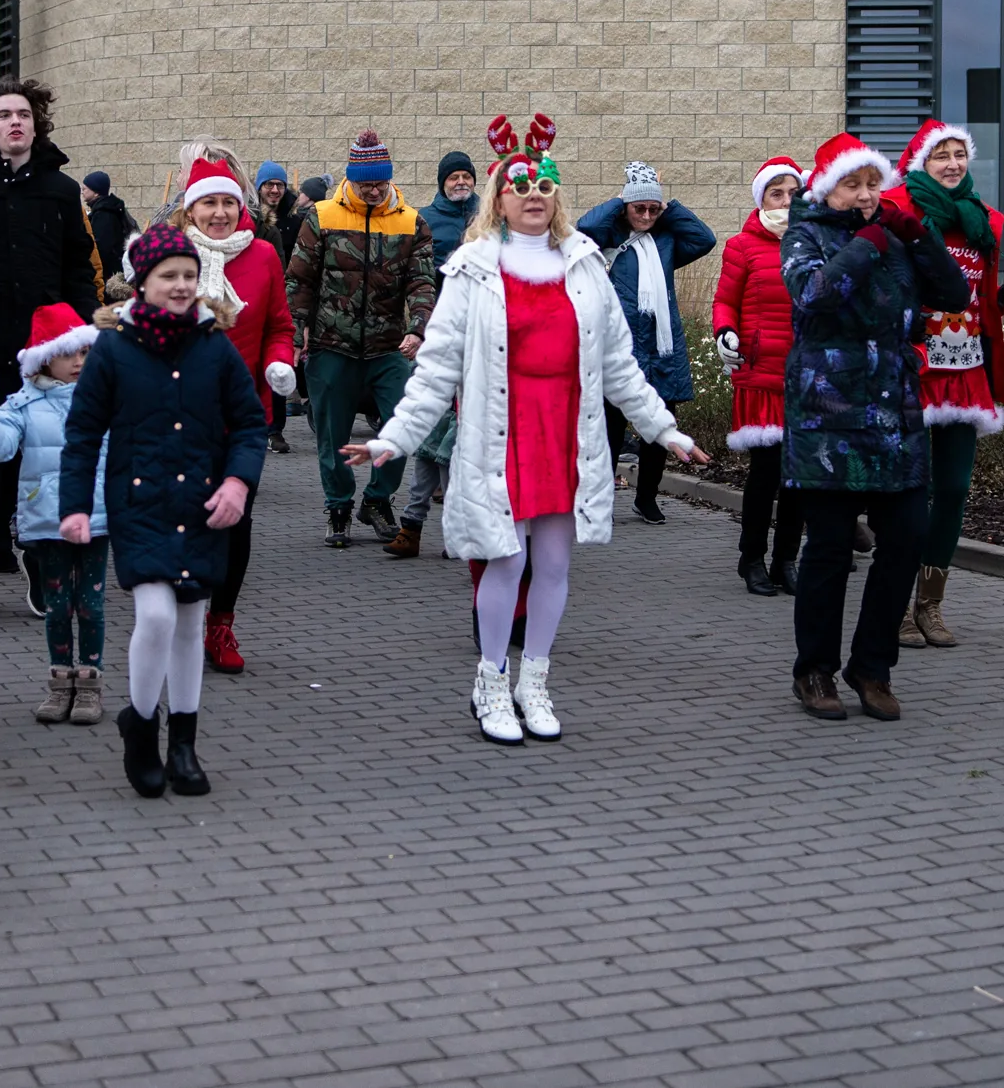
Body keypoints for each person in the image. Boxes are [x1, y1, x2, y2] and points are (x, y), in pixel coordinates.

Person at [348, 116, 701, 744]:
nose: (533, 193)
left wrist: (663, 429)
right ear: (499, 199)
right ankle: (490, 681)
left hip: (568, 435)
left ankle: (533, 680)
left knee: (556, 564)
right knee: (506, 562)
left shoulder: (587, 266)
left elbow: (618, 364)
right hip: (502, 437)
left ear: (556, 196)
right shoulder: (472, 270)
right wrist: (392, 439)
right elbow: (434, 371)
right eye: (519, 185)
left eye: (543, 184)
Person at [59, 224, 268, 798]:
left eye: (188, 276)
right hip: (140, 503)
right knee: (155, 615)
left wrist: (237, 483)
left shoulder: (214, 346)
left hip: (202, 505)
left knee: (189, 623)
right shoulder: (113, 350)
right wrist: (75, 507)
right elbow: (82, 434)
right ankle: (141, 728)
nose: (180, 286)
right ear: (141, 283)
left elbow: (250, 425)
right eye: (167, 276)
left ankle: (184, 742)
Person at [781, 132, 970, 725]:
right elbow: (815, 294)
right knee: (831, 549)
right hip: (827, 418)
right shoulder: (803, 233)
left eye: (873, 183)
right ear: (827, 187)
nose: (866, 195)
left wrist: (916, 235)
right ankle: (814, 670)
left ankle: (872, 666)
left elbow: (955, 294)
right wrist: (864, 243)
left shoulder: (896, 234)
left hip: (894, 415)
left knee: (907, 539)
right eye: (852, 184)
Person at [0, 78, 103, 620]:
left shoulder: (59, 189)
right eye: (4, 115)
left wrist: (81, 335)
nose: (14, 123)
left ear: (36, 124)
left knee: (40, 462)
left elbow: (80, 265)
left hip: (45, 350)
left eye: (23, 115)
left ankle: (41, 568)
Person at [879, 121, 1004, 648]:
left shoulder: (981, 221)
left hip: (965, 371)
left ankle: (930, 604)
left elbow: (978, 299)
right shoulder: (900, 214)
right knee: (906, 491)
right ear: (922, 162)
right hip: (913, 369)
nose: (951, 164)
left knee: (954, 489)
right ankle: (894, 605)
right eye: (940, 155)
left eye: (959, 154)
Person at [164, 154, 295, 674]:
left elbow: (279, 326)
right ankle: (182, 620)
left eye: (227, 202)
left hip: (242, 413)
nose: (218, 213)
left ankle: (221, 624)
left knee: (234, 521)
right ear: (190, 209)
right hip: (177, 412)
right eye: (208, 203)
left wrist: (280, 364)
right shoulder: (169, 254)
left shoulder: (262, 255)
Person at [284, 129, 436, 548]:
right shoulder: (322, 216)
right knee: (332, 435)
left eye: (380, 183)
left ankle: (377, 499)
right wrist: (296, 335)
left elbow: (422, 282)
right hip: (332, 345)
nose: (373, 190)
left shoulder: (411, 221)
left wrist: (417, 327)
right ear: (351, 179)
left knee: (402, 426)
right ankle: (338, 507)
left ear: (390, 179)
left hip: (389, 347)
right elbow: (299, 280)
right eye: (366, 182)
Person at [0, 303, 109, 725]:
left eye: (84, 352)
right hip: (47, 518)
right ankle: (60, 683)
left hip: (96, 516)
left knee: (92, 604)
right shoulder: (23, 404)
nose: (79, 362)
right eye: (70, 354)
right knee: (58, 604)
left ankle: (90, 685)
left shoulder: (103, 398)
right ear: (46, 357)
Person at [577, 160, 717, 525]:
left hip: (662, 349)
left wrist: (668, 207)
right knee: (609, 427)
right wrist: (622, 199)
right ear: (626, 206)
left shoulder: (667, 242)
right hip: (620, 347)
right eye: (640, 208)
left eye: (654, 209)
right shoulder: (608, 237)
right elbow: (585, 226)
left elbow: (705, 239)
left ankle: (647, 497)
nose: (647, 215)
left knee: (661, 423)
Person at [711, 157, 807, 597]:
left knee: (798, 477)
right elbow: (725, 301)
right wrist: (724, 332)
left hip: (807, 377)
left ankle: (787, 559)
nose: (786, 201)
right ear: (762, 199)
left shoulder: (815, 244)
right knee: (765, 474)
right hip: (760, 373)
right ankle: (751, 558)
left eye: (793, 193)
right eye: (777, 193)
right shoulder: (742, 246)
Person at [386, 150, 480, 558]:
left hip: (481, 346)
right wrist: (417, 328)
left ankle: (453, 529)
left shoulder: (489, 216)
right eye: (454, 176)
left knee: (457, 441)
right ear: (442, 182)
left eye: (467, 177)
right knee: (431, 433)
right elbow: (413, 279)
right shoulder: (423, 219)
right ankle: (412, 525)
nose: (461, 182)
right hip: (438, 340)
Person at [253, 160, 301, 453]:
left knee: (278, 363)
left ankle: (276, 429)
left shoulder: (295, 220)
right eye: (269, 185)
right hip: (256, 295)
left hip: (283, 296)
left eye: (279, 185)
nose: (274, 190)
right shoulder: (253, 219)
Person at [82, 171, 134, 285]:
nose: (82, 191)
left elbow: (102, 247)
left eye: (85, 188)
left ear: (96, 192)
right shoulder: (104, 210)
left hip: (107, 275)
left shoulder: (104, 214)